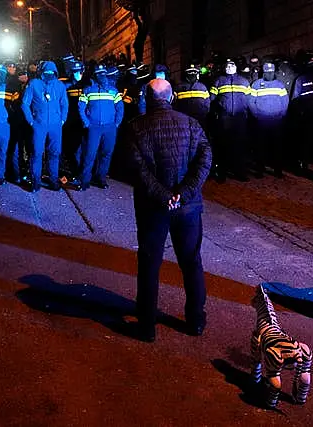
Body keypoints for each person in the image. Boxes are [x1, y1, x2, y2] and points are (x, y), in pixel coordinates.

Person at [127, 79, 212, 343]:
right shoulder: (190, 124)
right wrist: (183, 193)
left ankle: (147, 325)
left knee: (150, 264)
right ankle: (195, 320)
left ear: (147, 98)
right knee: (191, 262)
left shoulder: (135, 128)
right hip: (187, 207)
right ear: (171, 97)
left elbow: (138, 170)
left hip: (153, 207)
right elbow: (204, 160)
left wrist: (164, 196)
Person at [70, 64, 123, 191]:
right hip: (93, 127)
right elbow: (81, 107)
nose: (101, 76)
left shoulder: (113, 90)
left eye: (103, 73)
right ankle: (85, 180)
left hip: (109, 127)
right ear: (95, 75)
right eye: (99, 74)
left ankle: (101, 178)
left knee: (106, 153)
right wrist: (86, 122)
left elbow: (120, 108)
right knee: (89, 154)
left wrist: (116, 123)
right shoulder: (88, 90)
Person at [21, 60, 68, 192]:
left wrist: (62, 119)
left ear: (55, 72)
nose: (49, 74)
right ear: (42, 72)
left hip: (55, 125)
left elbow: (64, 104)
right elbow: (25, 104)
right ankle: (35, 182)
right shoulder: (34, 84)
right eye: (46, 72)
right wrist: (31, 121)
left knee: (54, 152)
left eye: (52, 72)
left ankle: (53, 181)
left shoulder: (60, 86)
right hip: (39, 124)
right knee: (36, 152)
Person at [210, 58, 251, 182]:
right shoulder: (219, 81)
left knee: (239, 146)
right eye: (227, 66)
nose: (229, 68)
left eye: (231, 66)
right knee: (222, 146)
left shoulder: (244, 81)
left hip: (239, 119)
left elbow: (249, 99)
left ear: (236, 68)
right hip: (224, 119)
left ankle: (240, 172)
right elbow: (211, 99)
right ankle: (222, 173)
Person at [249, 61, 289, 178]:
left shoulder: (279, 85)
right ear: (264, 72)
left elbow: (285, 101)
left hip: (276, 122)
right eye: (267, 72)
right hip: (261, 122)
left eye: (271, 72)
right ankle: (260, 170)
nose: (269, 74)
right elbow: (251, 102)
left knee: (277, 147)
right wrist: (256, 115)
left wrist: (281, 114)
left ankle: (278, 170)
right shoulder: (256, 84)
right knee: (261, 147)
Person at [173, 64, 211, 129]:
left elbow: (174, 104)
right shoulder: (202, 87)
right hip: (193, 120)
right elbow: (207, 104)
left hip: (187, 120)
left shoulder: (178, 87)